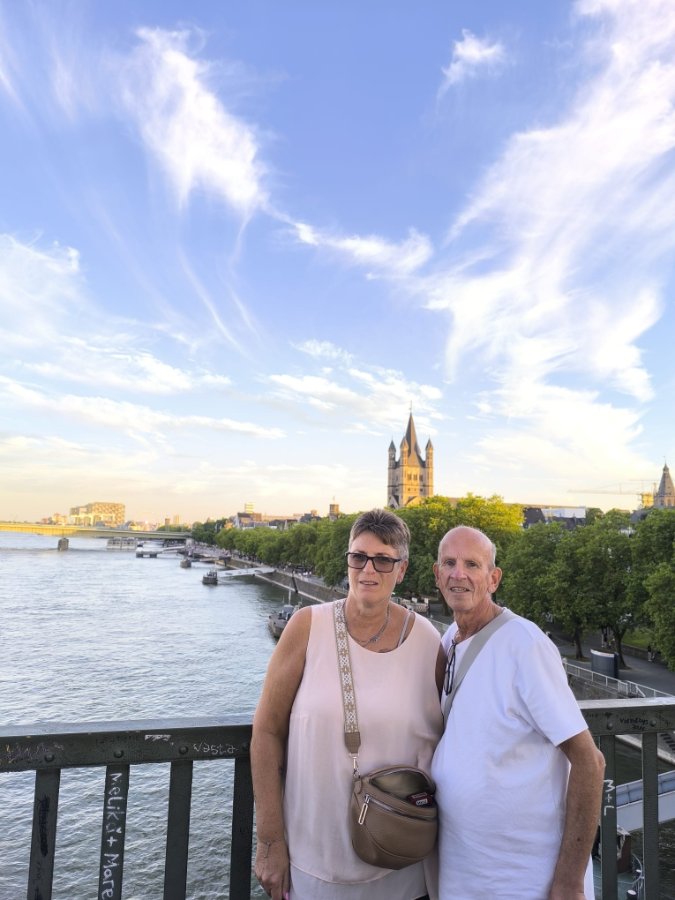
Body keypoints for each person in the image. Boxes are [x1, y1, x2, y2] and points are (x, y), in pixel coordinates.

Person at [251, 509, 445, 900]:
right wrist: (270, 841)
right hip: (314, 863)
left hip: (402, 863)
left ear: (402, 569)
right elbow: (267, 732)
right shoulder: (307, 626)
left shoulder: (427, 641)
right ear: (348, 561)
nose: (368, 570)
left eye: (383, 560)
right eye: (359, 557)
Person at [430, 526, 605, 900]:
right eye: (449, 563)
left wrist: (569, 883)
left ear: (493, 579)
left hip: (523, 879)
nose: (458, 574)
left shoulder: (524, 644)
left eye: (472, 565)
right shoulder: (449, 641)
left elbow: (590, 762)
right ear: (436, 574)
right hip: (465, 873)